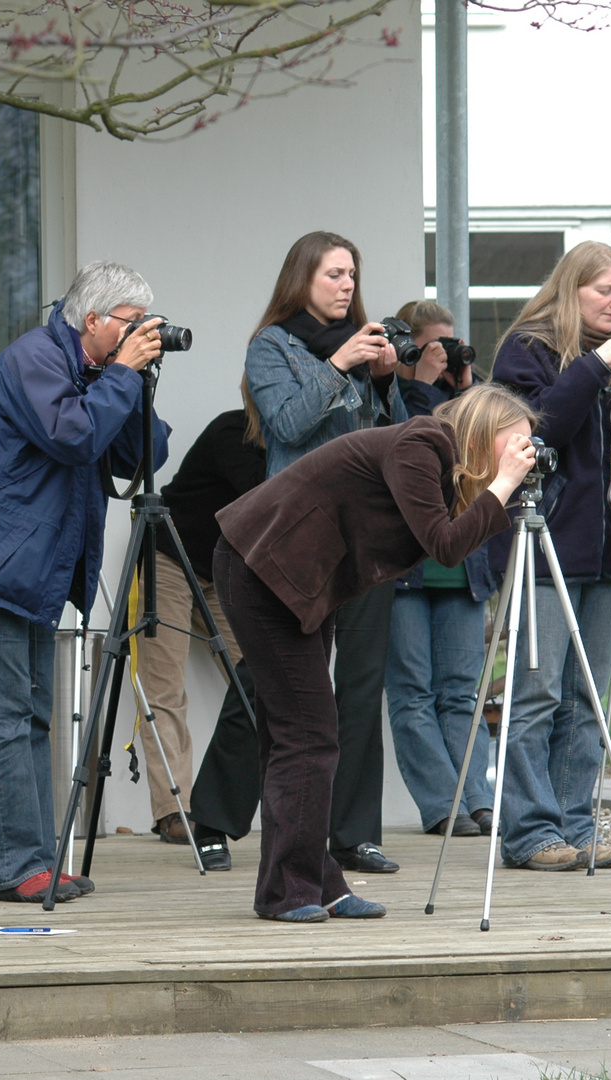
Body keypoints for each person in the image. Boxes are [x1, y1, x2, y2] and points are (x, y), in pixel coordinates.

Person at [215, 383, 538, 922]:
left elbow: (447, 533)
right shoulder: (422, 443)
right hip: (261, 568)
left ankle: (310, 882)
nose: (523, 454)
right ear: (484, 430)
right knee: (309, 734)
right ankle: (290, 892)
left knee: (294, 735)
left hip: (296, 580)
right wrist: (503, 484)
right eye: (516, 441)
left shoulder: (442, 467)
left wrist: (500, 485)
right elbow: (445, 545)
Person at [0, 260, 169, 904]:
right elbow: (73, 436)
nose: (141, 334)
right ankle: (16, 868)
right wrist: (123, 374)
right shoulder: (33, 360)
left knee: (34, 722)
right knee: (5, 721)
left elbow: (143, 456)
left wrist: (133, 379)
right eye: (132, 325)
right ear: (93, 319)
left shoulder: (97, 370)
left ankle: (36, 859)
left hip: (38, 571)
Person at [490, 241, 611, 872]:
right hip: (543, 544)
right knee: (537, 693)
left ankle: (575, 826)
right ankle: (529, 834)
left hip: (608, 551)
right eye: (604, 291)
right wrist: (594, 365)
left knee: (587, 696)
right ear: (572, 290)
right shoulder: (527, 350)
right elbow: (538, 430)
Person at [244, 230, 407, 876]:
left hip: (361, 536)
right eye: (333, 273)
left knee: (362, 685)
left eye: (351, 274)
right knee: (294, 699)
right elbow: (286, 424)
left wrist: (387, 381)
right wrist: (339, 365)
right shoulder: (271, 347)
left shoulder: (361, 347)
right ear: (301, 279)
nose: (346, 284)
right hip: (299, 541)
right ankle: (268, 837)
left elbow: (391, 443)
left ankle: (354, 833)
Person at [136, 375, 266, 870]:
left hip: (223, 571)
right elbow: (262, 496)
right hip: (171, 558)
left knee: (260, 680)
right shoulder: (232, 433)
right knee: (163, 685)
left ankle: (269, 799)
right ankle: (174, 809)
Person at [384, 300, 497, 839]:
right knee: (412, 691)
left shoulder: (467, 403)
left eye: (451, 344)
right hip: (406, 571)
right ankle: (442, 806)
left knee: (460, 694)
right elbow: (410, 445)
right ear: (408, 346)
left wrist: (466, 387)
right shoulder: (393, 397)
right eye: (434, 345)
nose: (445, 354)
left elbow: (484, 455)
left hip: (462, 568)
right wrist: (422, 382)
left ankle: (480, 801)